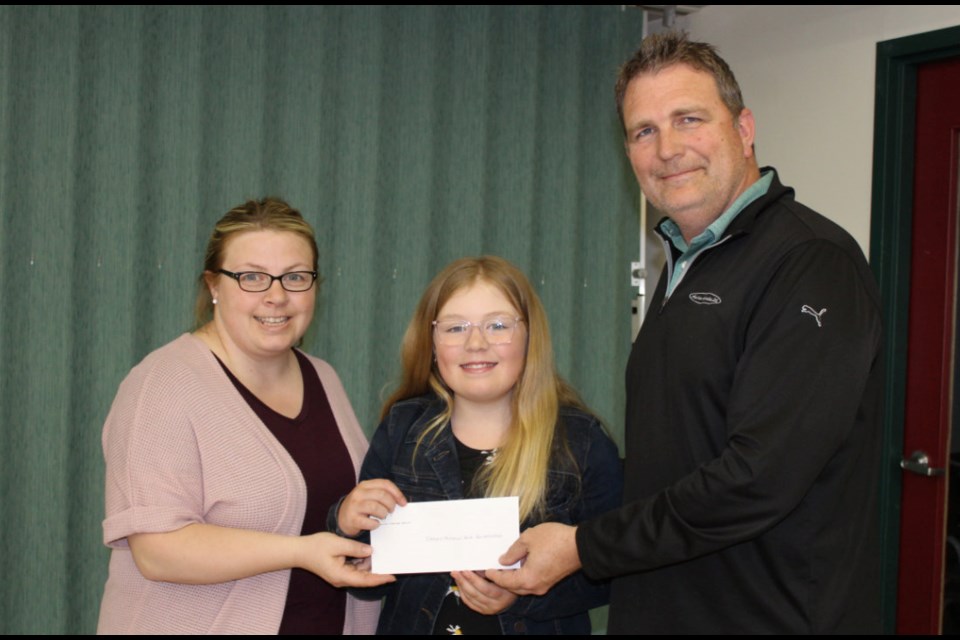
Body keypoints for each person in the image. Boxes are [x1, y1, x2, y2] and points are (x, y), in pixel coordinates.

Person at [489, 32, 883, 634]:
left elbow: (758, 478)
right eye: (644, 131)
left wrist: (584, 546)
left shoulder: (809, 261)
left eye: (688, 119)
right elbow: (677, 453)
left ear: (744, 128)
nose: (667, 148)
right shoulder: (687, 259)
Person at [97, 198, 391, 634]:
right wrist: (300, 552)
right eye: (252, 277)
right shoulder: (161, 384)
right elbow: (158, 550)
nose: (276, 295)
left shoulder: (323, 377)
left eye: (295, 277)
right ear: (214, 285)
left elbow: (333, 511)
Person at [332, 256, 623, 635]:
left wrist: (526, 597)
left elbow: (617, 569)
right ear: (432, 342)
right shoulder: (402, 431)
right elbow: (364, 574)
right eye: (455, 328)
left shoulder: (581, 442)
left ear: (530, 337)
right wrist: (345, 522)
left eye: (498, 325)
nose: (476, 343)